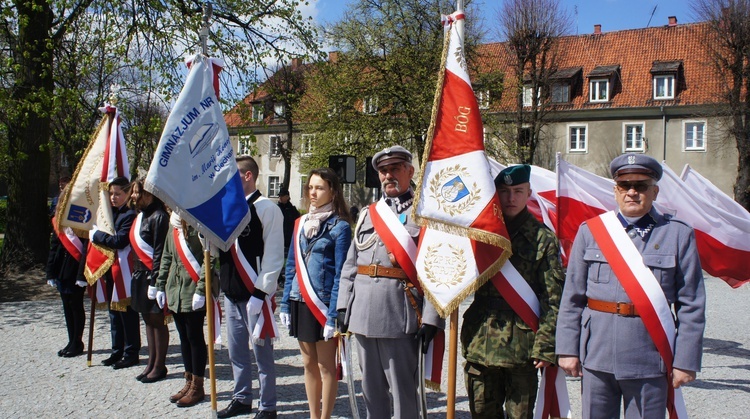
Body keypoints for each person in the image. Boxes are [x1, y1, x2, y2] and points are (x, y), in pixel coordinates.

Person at [556, 153, 706, 418]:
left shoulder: (678, 234)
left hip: (649, 358)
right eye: (625, 186)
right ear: (616, 191)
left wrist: (685, 362)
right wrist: (568, 349)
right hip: (597, 354)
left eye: (641, 186)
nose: (632, 192)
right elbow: (572, 297)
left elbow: (691, 305)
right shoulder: (591, 231)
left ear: (655, 191)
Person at [337, 145, 442, 418]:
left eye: (395, 169)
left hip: (400, 315)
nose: (388, 175)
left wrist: (431, 318)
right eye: (383, 171)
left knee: (403, 394)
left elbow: (436, 270)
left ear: (410, 171)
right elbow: (351, 265)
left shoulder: (426, 214)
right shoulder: (368, 214)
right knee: (370, 393)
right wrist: (342, 306)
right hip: (362, 315)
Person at [460, 165, 564, 418]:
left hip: (523, 347)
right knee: (482, 413)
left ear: (528, 192)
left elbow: (552, 299)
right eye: (504, 191)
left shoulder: (542, 239)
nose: (511, 198)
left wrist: (546, 345)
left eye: (518, 191)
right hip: (480, 341)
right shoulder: (480, 233)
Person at [280, 168, 352, 419]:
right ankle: (313, 416)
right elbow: (291, 265)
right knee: (308, 364)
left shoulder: (340, 227)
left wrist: (333, 316)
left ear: (332, 190)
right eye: (310, 187)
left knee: (325, 366)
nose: (313, 192)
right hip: (300, 300)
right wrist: (285, 304)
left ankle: (325, 417)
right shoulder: (299, 223)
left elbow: (342, 274)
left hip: (322, 304)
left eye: (319, 187)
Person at [217, 155, 284, 419]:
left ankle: (267, 406)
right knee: (236, 352)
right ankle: (242, 397)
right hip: (231, 292)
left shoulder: (267, 208)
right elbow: (216, 246)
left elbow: (274, 254)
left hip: (254, 295)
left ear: (248, 176)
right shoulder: (227, 208)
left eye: (233, 175)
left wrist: (262, 291)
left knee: (262, 355)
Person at [156, 212, 214, 407]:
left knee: (194, 337)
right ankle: (188, 381)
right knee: (183, 338)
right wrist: (160, 284)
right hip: (175, 290)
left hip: (192, 290)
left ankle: (198, 386)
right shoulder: (173, 225)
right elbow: (166, 257)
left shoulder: (200, 224)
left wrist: (201, 288)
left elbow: (210, 258)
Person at [90, 176, 141, 369]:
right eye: (111, 194)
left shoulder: (129, 214)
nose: (113, 197)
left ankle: (131, 352)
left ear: (128, 194)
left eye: (118, 194)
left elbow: (120, 241)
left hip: (125, 271)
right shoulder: (110, 214)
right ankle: (116, 350)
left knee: (126, 314)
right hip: (110, 270)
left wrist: (97, 236)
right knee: (113, 313)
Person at [129, 178, 170, 382]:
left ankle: (159, 366)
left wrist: (156, 282)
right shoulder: (141, 216)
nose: (134, 196)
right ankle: (151, 363)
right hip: (139, 275)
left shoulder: (159, 216)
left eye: (137, 192)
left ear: (149, 194)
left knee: (157, 321)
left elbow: (159, 252)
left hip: (150, 276)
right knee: (147, 320)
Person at [47, 177, 88, 358]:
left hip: (75, 267)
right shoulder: (59, 219)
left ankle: (77, 342)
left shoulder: (82, 217)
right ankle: (71, 340)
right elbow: (54, 246)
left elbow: (86, 248)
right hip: (62, 268)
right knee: (66, 305)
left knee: (76, 305)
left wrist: (82, 274)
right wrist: (50, 272)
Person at [277, 187, 300, 263]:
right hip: (279, 237)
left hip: (290, 237)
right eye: (279, 196)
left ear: (287, 197)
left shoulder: (292, 210)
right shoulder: (277, 208)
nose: (280, 198)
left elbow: (297, 222)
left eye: (282, 196)